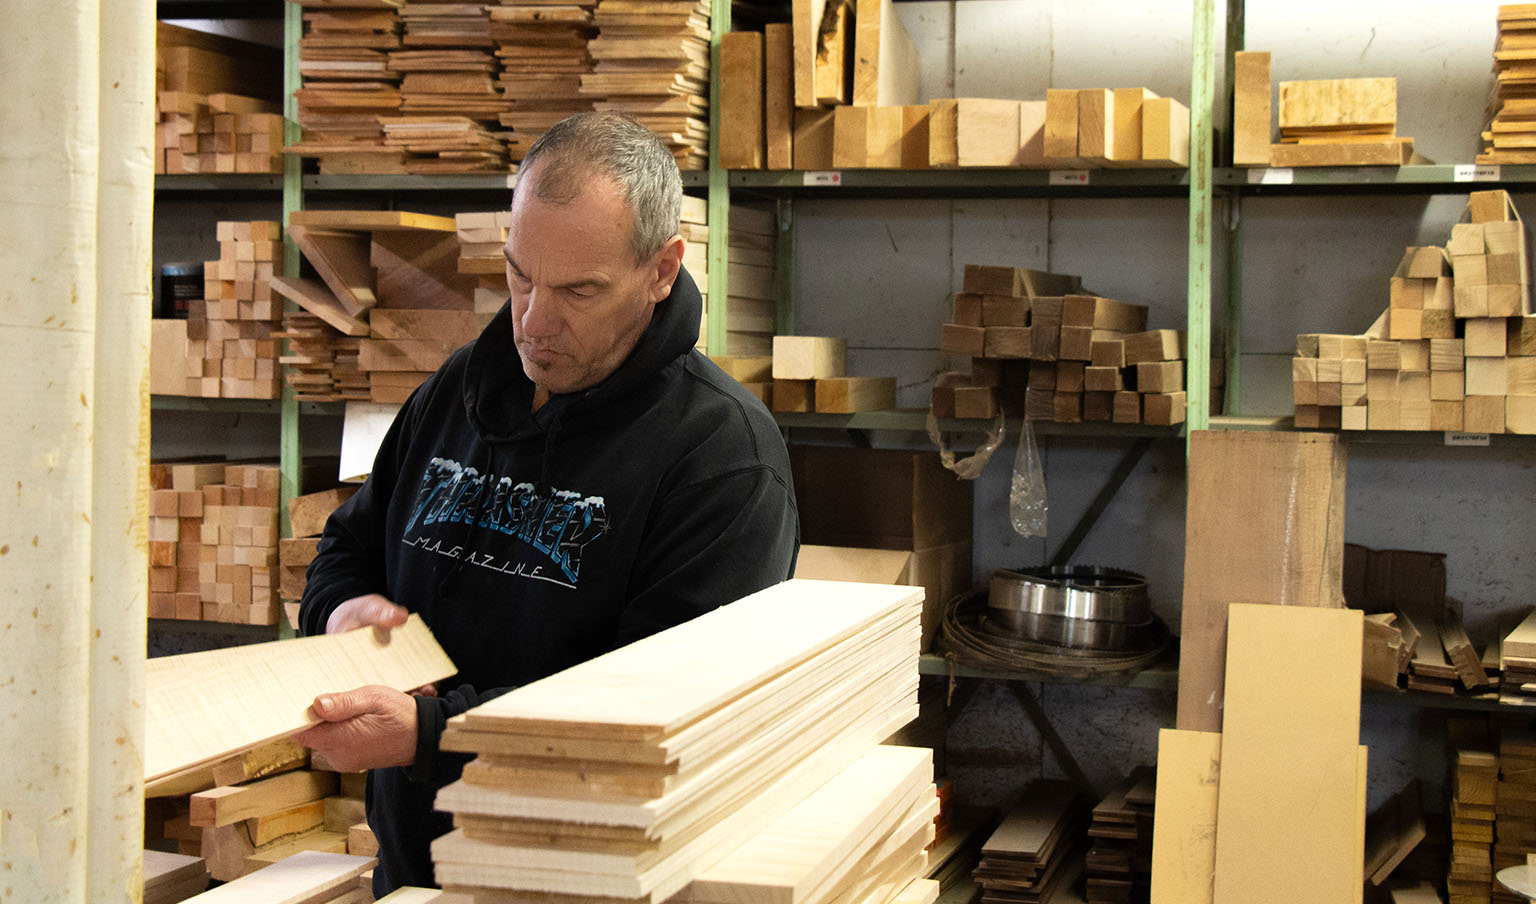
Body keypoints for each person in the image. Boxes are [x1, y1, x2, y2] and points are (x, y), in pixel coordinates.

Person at [294, 112, 800, 894]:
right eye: (519, 274)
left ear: (662, 270)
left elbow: (666, 708)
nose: (533, 319)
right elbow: (347, 548)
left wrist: (433, 731)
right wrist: (346, 613)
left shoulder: (722, 458)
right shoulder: (458, 390)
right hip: (413, 868)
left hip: (586, 878)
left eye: (579, 290)